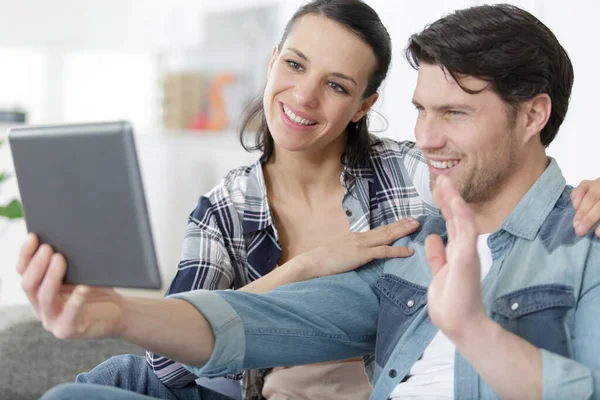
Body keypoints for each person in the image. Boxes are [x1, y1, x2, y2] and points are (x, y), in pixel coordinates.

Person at [16, 2, 600, 400]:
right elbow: (261, 322)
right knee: (89, 386)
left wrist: (471, 329)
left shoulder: (579, 240)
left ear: (534, 114)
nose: (428, 137)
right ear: (273, 63)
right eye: (422, 110)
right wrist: (116, 312)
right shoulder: (419, 245)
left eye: (454, 112)